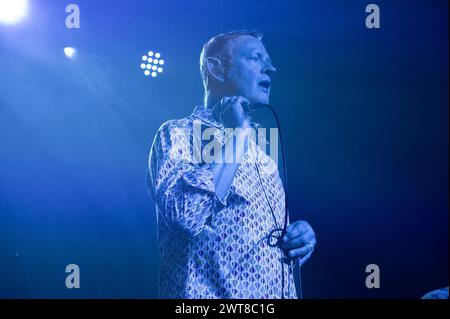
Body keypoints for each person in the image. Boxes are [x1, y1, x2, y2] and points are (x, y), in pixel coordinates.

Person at [147, 30, 316, 298]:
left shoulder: (262, 150)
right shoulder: (178, 133)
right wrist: (238, 136)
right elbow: (187, 217)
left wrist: (300, 239)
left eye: (269, 61)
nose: (270, 68)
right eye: (255, 58)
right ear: (216, 69)